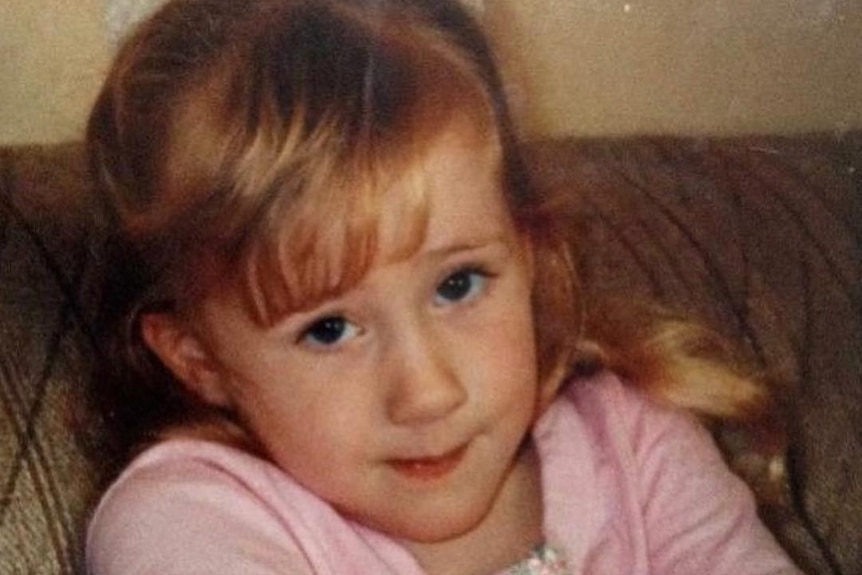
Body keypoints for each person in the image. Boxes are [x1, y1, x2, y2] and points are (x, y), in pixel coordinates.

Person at [84, 0, 802, 573]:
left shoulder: (635, 442)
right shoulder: (186, 518)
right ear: (198, 359)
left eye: (458, 284)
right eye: (328, 328)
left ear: (527, 256)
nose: (427, 391)